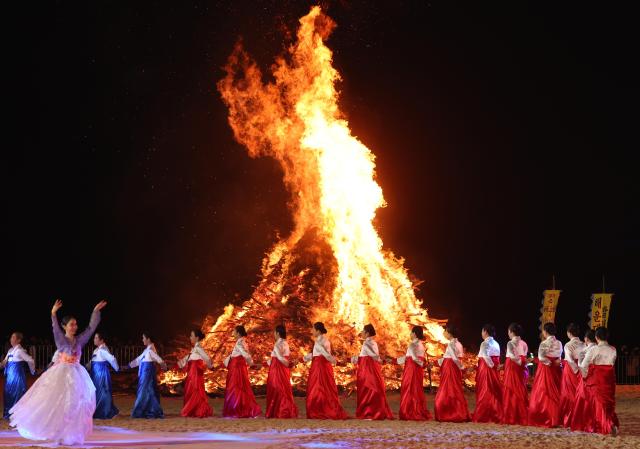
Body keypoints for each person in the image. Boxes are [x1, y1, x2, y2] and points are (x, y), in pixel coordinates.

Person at [9, 299, 107, 445]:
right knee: (58, 404)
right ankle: (57, 432)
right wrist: (53, 313)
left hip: (76, 374)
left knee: (75, 405)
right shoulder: (61, 340)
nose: (75, 327)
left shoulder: (80, 340)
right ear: (65, 326)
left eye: (75, 324)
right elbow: (55, 329)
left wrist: (95, 311)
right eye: (71, 324)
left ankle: (69, 433)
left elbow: (91, 328)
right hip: (61, 374)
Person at [572, 327, 619, 435]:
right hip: (609, 379)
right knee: (608, 403)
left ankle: (608, 425)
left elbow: (584, 365)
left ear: (596, 337)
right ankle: (610, 423)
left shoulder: (594, 349)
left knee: (598, 404)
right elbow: (611, 363)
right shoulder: (613, 349)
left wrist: (585, 376)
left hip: (597, 378)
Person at [304, 322, 348, 419]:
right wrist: (306, 357)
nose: (311, 331)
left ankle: (320, 410)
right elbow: (317, 353)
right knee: (322, 387)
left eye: (313, 329)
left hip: (320, 367)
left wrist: (335, 362)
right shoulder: (321, 340)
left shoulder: (322, 341)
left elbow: (325, 354)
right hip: (319, 365)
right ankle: (320, 409)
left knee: (319, 387)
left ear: (318, 331)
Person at [351, 324, 393, 420]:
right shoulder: (373, 342)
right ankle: (375, 411)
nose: (361, 333)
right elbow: (370, 356)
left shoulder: (366, 343)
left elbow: (372, 356)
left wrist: (382, 360)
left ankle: (369, 412)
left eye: (363, 331)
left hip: (367, 370)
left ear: (367, 333)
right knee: (373, 389)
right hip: (372, 369)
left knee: (367, 390)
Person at [528, 322, 563, 428]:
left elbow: (541, 357)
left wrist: (549, 363)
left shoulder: (544, 343)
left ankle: (546, 417)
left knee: (544, 392)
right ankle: (557, 418)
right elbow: (559, 355)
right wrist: (555, 362)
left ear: (545, 331)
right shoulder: (559, 343)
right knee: (556, 391)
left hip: (546, 368)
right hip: (556, 369)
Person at [393, 325, 431, 421]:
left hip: (411, 369)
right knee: (417, 389)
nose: (410, 334)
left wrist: (422, 364)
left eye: (411, 332)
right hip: (418, 370)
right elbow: (408, 358)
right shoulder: (421, 345)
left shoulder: (412, 345)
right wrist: (395, 361)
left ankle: (409, 411)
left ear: (414, 334)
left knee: (408, 388)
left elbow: (413, 358)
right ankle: (417, 409)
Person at [222, 325, 261, 418]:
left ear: (238, 333)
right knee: (240, 387)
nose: (233, 333)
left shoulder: (240, 343)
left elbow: (246, 355)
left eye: (234, 331)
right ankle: (240, 409)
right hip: (237, 367)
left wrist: (252, 364)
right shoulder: (241, 342)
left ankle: (236, 410)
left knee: (235, 387)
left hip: (237, 368)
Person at [434, 325, 470, 422]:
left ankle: (447, 413)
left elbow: (453, 358)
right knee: (455, 389)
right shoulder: (459, 344)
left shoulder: (451, 344)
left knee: (447, 390)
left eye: (445, 331)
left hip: (450, 368)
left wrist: (462, 368)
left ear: (449, 333)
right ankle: (459, 411)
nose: (444, 333)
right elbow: (452, 358)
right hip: (455, 368)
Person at [128, 333, 166, 418]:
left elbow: (157, 358)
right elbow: (139, 359)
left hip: (147, 373)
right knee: (148, 391)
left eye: (143, 338)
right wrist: (129, 365)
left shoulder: (150, 349)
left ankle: (141, 411)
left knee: (145, 391)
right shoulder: (147, 350)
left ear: (148, 339)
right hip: (145, 373)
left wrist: (163, 365)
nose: (142, 340)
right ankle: (150, 410)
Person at [178, 329, 213, 418]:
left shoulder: (198, 348)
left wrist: (210, 366)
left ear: (196, 338)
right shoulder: (195, 349)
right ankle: (194, 409)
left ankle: (196, 409)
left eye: (191, 336)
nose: (190, 337)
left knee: (195, 390)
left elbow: (206, 358)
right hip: (192, 373)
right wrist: (180, 363)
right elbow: (188, 358)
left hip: (196, 374)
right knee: (192, 390)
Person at [265, 324, 298, 418]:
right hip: (282, 369)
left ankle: (281, 411)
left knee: (276, 388)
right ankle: (283, 410)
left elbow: (279, 358)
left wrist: (289, 364)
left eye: (274, 332)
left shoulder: (278, 344)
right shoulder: (285, 343)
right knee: (284, 387)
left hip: (277, 369)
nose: (274, 334)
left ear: (278, 333)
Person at [1, 332, 35, 420]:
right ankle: (9, 414)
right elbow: (4, 362)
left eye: (13, 337)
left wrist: (32, 371)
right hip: (9, 378)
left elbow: (30, 360)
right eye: (11, 337)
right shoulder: (10, 351)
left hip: (17, 378)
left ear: (19, 340)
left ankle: (17, 416)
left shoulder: (20, 351)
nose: (11, 339)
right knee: (8, 394)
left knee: (17, 395)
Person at [473, 324, 502, 423]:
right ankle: (495, 413)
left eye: (482, 331)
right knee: (493, 390)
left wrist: (491, 365)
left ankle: (484, 414)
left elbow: (485, 356)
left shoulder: (485, 343)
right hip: (493, 369)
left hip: (486, 368)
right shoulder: (496, 343)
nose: (481, 333)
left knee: (485, 390)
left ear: (485, 331)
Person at [501, 323, 528, 425]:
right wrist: (522, 362)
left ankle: (511, 415)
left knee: (511, 388)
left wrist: (519, 362)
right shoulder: (524, 343)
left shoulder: (510, 343)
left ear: (512, 332)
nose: (508, 333)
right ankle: (521, 413)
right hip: (520, 367)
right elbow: (523, 356)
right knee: (519, 386)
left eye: (509, 331)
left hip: (513, 366)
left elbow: (512, 356)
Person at [569, 329, 596, 431]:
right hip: (596, 378)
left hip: (586, 377)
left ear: (586, 339)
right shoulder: (597, 348)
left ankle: (583, 422)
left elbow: (582, 365)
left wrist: (583, 375)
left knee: (582, 398)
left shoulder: (586, 350)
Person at [89, 332, 119, 419]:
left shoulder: (103, 350)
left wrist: (117, 368)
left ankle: (105, 411)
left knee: (103, 392)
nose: (94, 339)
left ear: (101, 340)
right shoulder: (97, 350)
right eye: (94, 337)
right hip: (96, 374)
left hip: (101, 374)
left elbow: (112, 359)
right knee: (97, 392)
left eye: (96, 338)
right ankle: (100, 410)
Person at [559, 323, 584, 427]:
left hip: (571, 369)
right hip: (581, 367)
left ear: (569, 333)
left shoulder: (568, 345)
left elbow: (569, 359)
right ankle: (581, 416)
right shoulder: (583, 343)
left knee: (568, 393)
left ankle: (570, 418)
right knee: (579, 392)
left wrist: (575, 370)